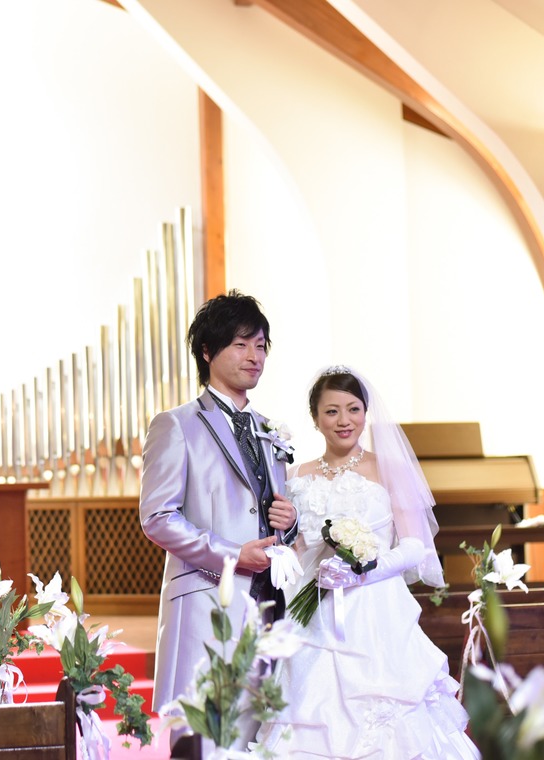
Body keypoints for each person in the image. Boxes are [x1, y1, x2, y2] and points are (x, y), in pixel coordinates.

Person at [255, 365, 479, 758]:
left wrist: (361, 571)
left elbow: (414, 547)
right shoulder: (297, 476)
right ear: (315, 418)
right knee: (309, 710)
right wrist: (285, 544)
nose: (344, 421)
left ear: (365, 412)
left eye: (353, 409)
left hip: (376, 612)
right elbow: (301, 550)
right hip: (315, 610)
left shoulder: (389, 468)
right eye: (332, 411)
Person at [139, 291, 299, 747]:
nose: (255, 357)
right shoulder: (176, 425)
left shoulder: (271, 429)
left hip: (271, 607)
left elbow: (273, 514)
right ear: (207, 351)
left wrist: (290, 519)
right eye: (241, 344)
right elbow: (158, 517)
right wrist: (233, 556)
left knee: (260, 736)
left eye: (262, 346)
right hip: (209, 603)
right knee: (207, 741)